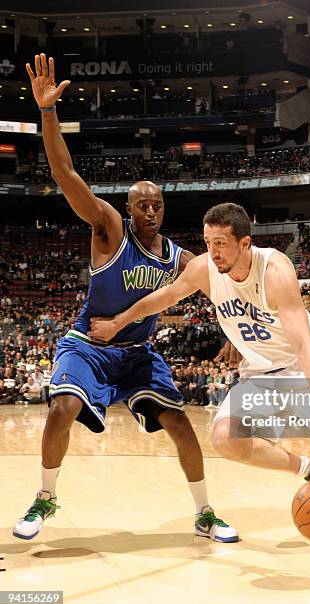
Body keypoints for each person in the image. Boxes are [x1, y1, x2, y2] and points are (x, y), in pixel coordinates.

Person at [90, 202, 310, 559]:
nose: (212, 251)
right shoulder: (204, 269)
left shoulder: (275, 270)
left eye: (220, 243)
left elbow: (303, 344)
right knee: (225, 438)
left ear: (245, 243)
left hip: (303, 363)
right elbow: (164, 297)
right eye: (207, 242)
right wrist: (117, 323)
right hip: (262, 371)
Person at [13, 53, 238, 544]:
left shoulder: (178, 256)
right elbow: (66, 175)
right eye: (142, 204)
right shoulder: (109, 229)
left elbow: (217, 285)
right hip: (88, 346)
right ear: (130, 208)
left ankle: (204, 513)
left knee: (179, 422)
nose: (151, 210)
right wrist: (47, 114)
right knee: (60, 410)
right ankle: (44, 497)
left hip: (137, 355)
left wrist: (233, 333)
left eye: (157, 204)